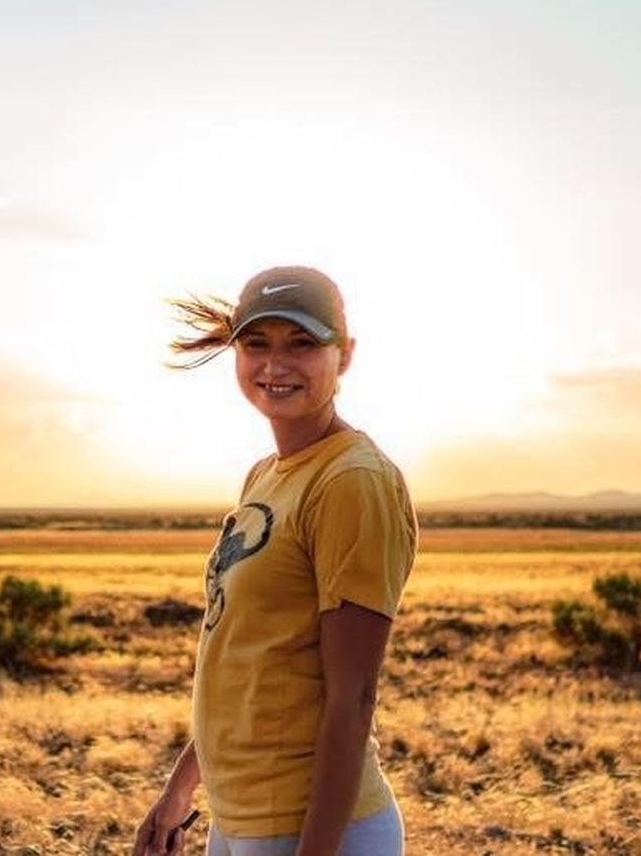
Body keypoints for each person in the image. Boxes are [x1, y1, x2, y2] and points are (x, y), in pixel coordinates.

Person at [132, 266, 418, 856]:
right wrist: (181, 789)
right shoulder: (266, 475)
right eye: (257, 343)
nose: (275, 364)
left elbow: (354, 697)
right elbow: (250, 655)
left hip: (309, 825)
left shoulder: (351, 481)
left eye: (302, 343)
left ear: (345, 355)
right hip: (239, 817)